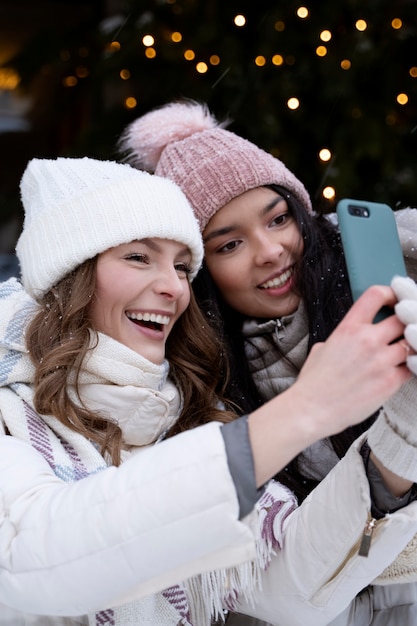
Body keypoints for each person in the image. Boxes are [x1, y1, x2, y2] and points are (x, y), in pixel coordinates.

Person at [118, 99, 417, 625]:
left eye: (278, 219)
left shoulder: (397, 282)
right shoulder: (193, 385)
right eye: (230, 243)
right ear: (198, 271)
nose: (271, 251)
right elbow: (270, 586)